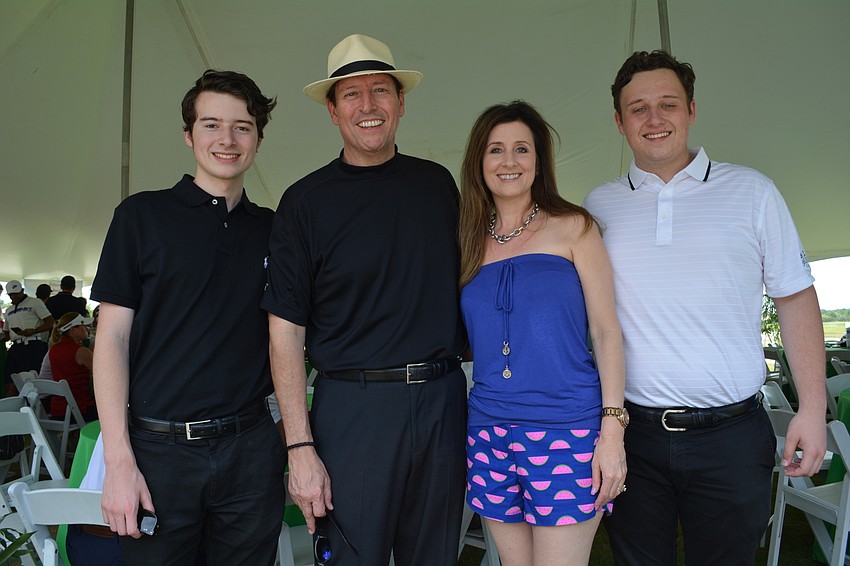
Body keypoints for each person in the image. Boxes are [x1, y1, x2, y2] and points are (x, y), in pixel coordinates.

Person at [583, 50, 827, 565]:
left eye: (668, 104)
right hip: (632, 435)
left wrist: (810, 408)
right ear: (619, 122)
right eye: (638, 108)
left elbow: (795, 297)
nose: (654, 119)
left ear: (691, 110)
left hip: (731, 437)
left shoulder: (753, 191)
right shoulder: (597, 207)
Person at [262, 34, 467, 565]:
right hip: (353, 410)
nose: (368, 105)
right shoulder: (304, 202)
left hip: (442, 403)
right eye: (351, 94)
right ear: (333, 111)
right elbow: (285, 332)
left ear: (401, 103)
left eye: (381, 90)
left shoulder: (438, 185)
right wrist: (299, 448)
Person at [91, 69, 284, 564]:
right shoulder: (140, 217)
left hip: (250, 452)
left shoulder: (274, 230)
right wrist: (117, 460)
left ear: (258, 139)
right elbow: (111, 339)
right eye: (211, 124)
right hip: (159, 453)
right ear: (188, 134)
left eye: (242, 127)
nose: (227, 139)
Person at [458, 101, 626, 565]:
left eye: (521, 149)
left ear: (539, 160)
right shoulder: (467, 241)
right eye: (495, 149)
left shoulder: (574, 227)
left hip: (567, 428)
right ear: (479, 160)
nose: (508, 161)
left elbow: (606, 331)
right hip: (488, 430)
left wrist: (612, 428)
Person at [3, 279, 55, 396]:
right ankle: (13, 406)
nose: (14, 296)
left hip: (33, 344)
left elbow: (50, 322)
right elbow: (6, 332)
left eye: (16, 293)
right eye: (11, 294)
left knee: (33, 382)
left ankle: (35, 406)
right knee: (10, 381)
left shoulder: (35, 302)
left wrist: (34, 331)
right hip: (16, 346)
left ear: (22, 291)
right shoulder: (8, 310)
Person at [48, 312, 96, 421]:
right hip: (79, 409)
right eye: (83, 325)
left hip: (58, 409)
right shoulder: (81, 351)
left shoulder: (54, 349)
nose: (87, 328)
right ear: (73, 330)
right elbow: (103, 373)